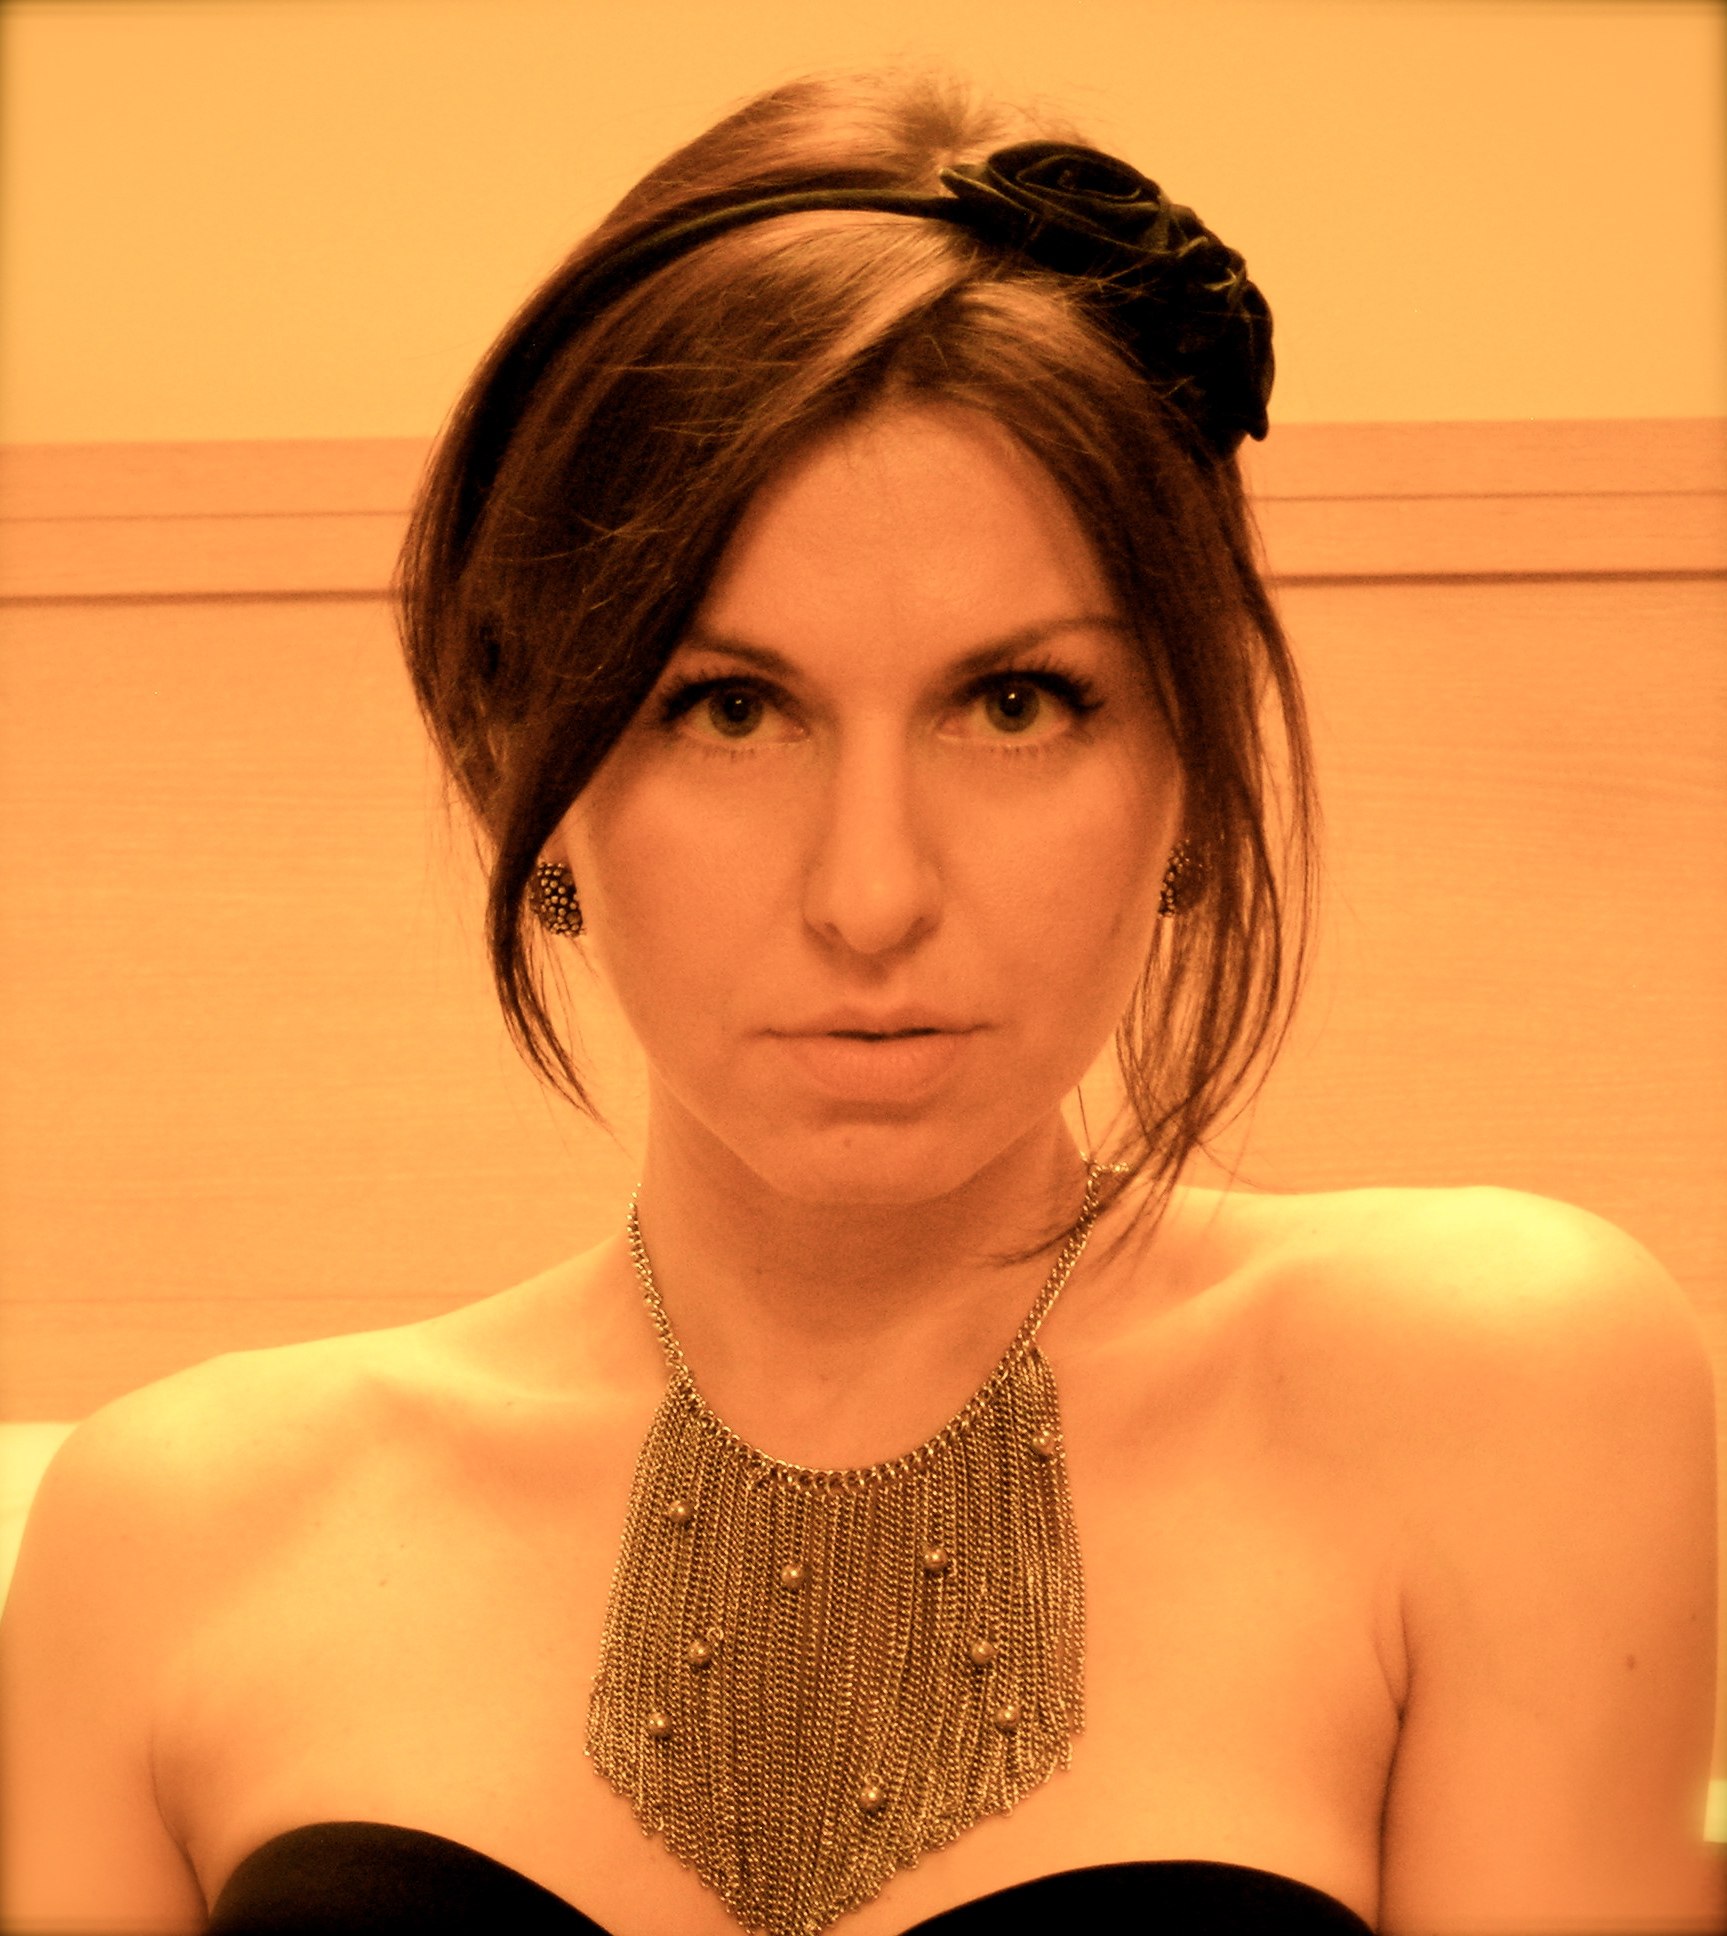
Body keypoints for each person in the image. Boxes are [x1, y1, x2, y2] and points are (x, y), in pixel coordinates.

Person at [1, 69, 1718, 1936]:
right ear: (526, 768)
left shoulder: (1499, 1396)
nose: (873, 895)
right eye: (731, 708)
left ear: (1193, 761)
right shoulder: (167, 1544)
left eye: (1015, 704)